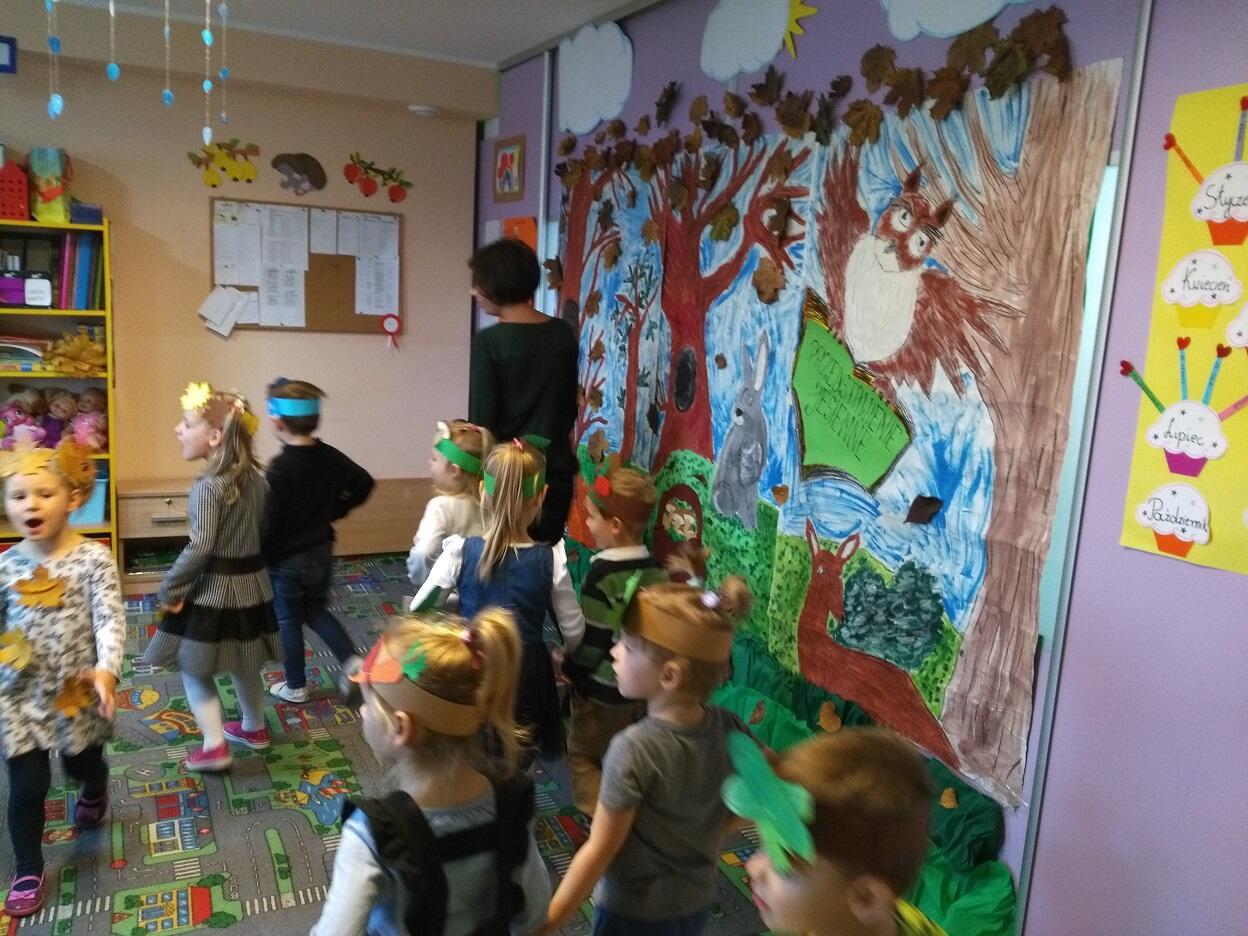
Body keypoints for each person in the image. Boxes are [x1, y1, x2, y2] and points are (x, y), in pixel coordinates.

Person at [312, 611, 551, 935]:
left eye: (369, 703)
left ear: (400, 728)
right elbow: (534, 912)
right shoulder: (512, 803)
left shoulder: (374, 835)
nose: (363, 712)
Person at [542, 573, 753, 936]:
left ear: (669, 675)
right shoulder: (730, 725)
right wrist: (716, 826)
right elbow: (771, 778)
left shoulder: (632, 749)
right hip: (697, 901)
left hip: (632, 912)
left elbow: (600, 850)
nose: (614, 651)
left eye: (627, 645)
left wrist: (550, 922)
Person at [0, 442, 125, 917]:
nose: (30, 505)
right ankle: (28, 868)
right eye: (18, 496)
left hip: (78, 691)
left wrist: (107, 669)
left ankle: (95, 785)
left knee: (80, 765)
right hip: (19, 694)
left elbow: (109, 619)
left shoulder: (94, 559)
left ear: (73, 497)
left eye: (44, 494)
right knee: (27, 786)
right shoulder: (5, 565)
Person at [412, 440, 583, 759]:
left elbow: (419, 608)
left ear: (482, 491)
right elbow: (573, 629)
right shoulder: (553, 559)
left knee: (472, 739)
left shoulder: (459, 551)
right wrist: (567, 653)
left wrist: (453, 618)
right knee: (519, 745)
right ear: (542, 496)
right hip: (526, 670)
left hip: (473, 662)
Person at [142, 382, 281, 772]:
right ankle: (254, 727)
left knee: (194, 667)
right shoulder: (257, 481)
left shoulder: (208, 486)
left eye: (187, 424)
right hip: (253, 587)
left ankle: (215, 746)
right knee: (245, 660)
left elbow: (200, 545)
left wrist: (171, 587)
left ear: (216, 436)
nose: (178, 429)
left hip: (216, 592)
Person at [737, 728, 947, 936]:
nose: (753, 867)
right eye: (765, 845)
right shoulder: (830, 916)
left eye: (784, 864)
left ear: (865, 898)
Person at [562, 463, 665, 816]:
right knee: (631, 753)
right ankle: (633, 809)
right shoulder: (657, 570)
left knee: (584, 756)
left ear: (615, 525)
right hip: (644, 688)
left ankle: (598, 819)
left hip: (603, 690)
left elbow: (595, 641)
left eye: (592, 517)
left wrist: (571, 669)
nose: (588, 524)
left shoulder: (600, 575)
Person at [263, 378, 374, 705]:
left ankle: (295, 685)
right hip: (321, 552)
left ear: (278, 423)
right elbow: (364, 483)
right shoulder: (330, 457)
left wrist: (259, 555)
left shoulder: (280, 468)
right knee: (315, 610)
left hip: (286, 562)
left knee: (288, 620)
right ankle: (351, 661)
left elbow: (269, 521)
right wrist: (337, 509)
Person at [467, 239, 578, 545]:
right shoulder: (562, 333)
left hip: (507, 475)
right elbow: (568, 406)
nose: (473, 292)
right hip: (554, 469)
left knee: (502, 558)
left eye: (477, 284)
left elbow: (483, 421)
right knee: (543, 559)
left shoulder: (489, 342)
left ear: (495, 284)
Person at [406, 419, 492, 588]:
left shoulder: (440, 506)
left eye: (434, 459)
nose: (429, 462)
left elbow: (424, 553)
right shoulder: (494, 503)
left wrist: (421, 581)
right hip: (488, 591)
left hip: (449, 595)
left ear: (454, 470)